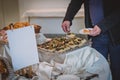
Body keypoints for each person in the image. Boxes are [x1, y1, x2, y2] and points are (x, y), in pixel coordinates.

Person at [61, 0, 120, 80]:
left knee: (117, 68)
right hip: (96, 35)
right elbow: (76, 2)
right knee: (98, 69)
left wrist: (102, 26)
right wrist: (68, 18)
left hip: (116, 34)